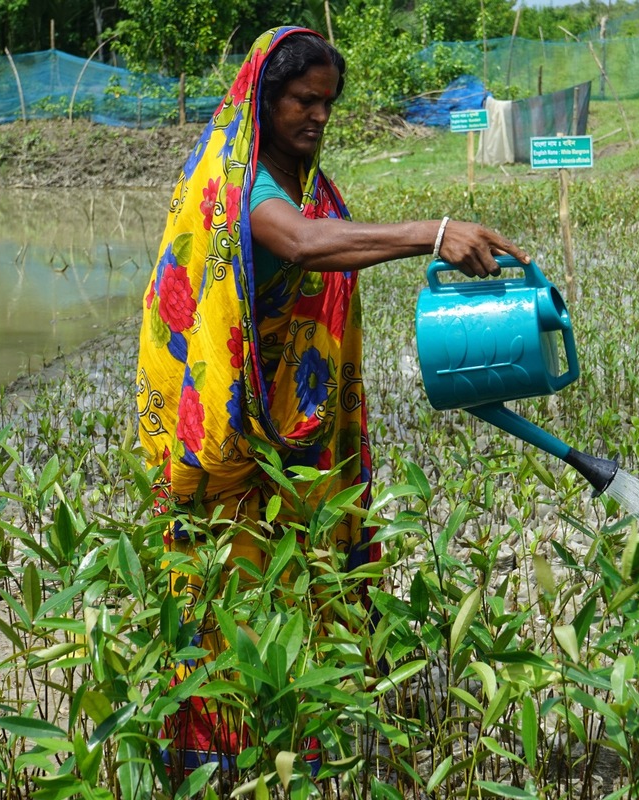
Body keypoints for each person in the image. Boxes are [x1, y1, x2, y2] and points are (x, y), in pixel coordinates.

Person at [135, 25, 527, 774]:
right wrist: (432, 232)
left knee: (291, 583)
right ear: (263, 97)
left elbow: (323, 238)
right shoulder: (238, 182)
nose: (315, 117)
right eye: (301, 101)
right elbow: (304, 245)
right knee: (227, 593)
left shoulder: (304, 181)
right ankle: (215, 762)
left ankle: (291, 744)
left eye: (326, 104)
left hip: (293, 431)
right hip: (230, 434)